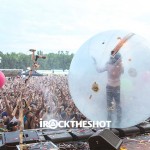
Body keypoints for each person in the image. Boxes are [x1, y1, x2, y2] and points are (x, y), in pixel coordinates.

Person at [93, 50, 124, 125]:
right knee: (118, 104)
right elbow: (122, 72)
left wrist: (95, 63)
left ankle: (109, 121)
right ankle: (118, 121)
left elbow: (99, 70)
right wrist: (118, 62)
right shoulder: (120, 66)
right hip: (117, 87)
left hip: (109, 87)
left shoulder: (108, 65)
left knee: (109, 105)